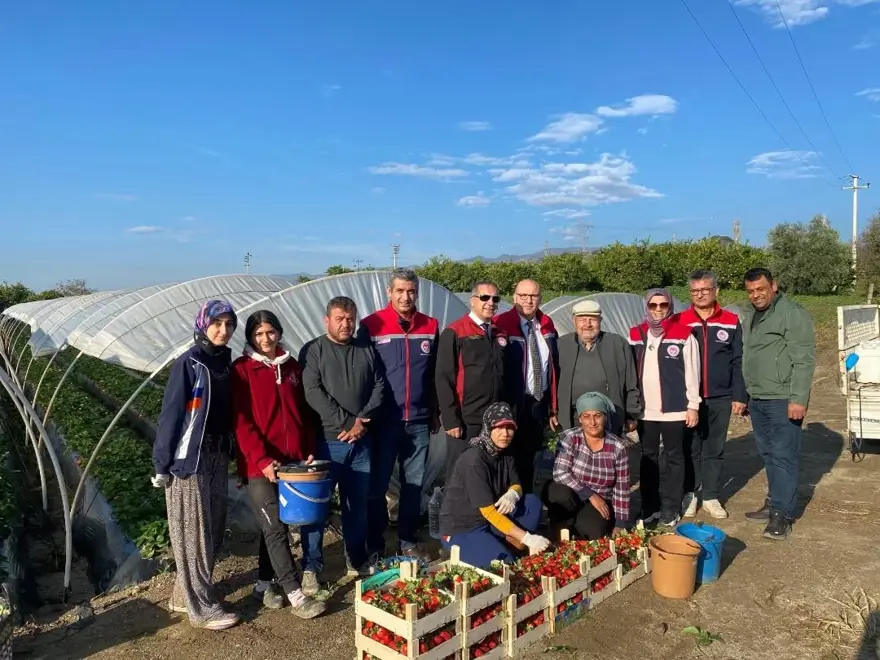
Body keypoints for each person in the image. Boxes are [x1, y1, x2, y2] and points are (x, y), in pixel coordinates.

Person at [231, 310, 327, 619]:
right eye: (258, 334)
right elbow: (242, 423)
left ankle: (262, 585)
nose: (265, 339)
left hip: (292, 462)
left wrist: (308, 450)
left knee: (276, 523)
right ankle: (297, 595)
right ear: (250, 338)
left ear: (279, 332)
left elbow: (305, 416)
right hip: (258, 464)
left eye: (270, 332)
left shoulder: (292, 368)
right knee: (275, 529)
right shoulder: (242, 370)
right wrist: (261, 460)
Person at [151, 300, 240, 631]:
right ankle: (201, 608)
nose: (223, 330)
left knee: (213, 527)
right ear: (203, 324)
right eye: (217, 323)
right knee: (194, 534)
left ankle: (181, 594)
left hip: (217, 455)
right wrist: (162, 463)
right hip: (190, 460)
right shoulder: (189, 363)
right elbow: (171, 415)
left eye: (229, 324)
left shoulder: (225, 363)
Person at [299, 296, 384, 575]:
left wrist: (361, 423)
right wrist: (347, 421)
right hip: (327, 442)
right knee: (316, 508)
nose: (346, 324)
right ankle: (312, 565)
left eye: (350, 318)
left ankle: (356, 558)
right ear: (327, 320)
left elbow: (379, 387)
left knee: (356, 506)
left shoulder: (366, 349)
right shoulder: (314, 350)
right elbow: (313, 392)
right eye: (340, 319)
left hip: (361, 443)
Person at [360, 269, 440, 558]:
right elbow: (364, 374)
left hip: (418, 420)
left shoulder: (430, 326)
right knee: (377, 485)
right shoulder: (372, 325)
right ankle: (376, 544)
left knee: (414, 485)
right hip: (384, 422)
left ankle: (407, 540)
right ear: (389, 292)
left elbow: (434, 374)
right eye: (400, 291)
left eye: (411, 291)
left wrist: (435, 411)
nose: (406, 297)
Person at [741, 268, 815, 540]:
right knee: (768, 454)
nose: (756, 295)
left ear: (774, 286)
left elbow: (804, 359)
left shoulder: (792, 314)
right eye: (751, 291)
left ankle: (782, 514)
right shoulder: (750, 316)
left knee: (784, 456)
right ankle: (773, 502)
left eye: (760, 289)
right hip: (759, 397)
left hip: (783, 398)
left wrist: (798, 398)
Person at [439, 402, 551, 568]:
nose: (505, 434)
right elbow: (489, 512)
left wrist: (513, 494)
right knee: (504, 565)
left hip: (489, 521)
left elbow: (516, 483)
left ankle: (505, 542)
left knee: (531, 503)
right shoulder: (474, 459)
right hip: (464, 527)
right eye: (498, 428)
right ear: (488, 428)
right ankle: (484, 547)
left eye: (509, 428)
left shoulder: (505, 452)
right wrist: (527, 538)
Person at [676, 269, 748, 520]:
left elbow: (739, 359)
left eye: (704, 290)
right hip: (688, 400)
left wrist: (740, 395)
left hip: (721, 396)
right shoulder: (680, 320)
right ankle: (690, 494)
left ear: (716, 291)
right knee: (690, 448)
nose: (699, 295)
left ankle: (711, 496)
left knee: (714, 448)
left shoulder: (729, 320)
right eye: (694, 291)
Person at [629, 288, 700, 527]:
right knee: (648, 458)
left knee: (674, 458)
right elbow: (630, 373)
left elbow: (692, 372)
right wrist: (632, 407)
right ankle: (650, 507)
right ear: (646, 307)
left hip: (675, 409)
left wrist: (693, 405)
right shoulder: (636, 334)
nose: (658, 309)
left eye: (662, 305)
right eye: (653, 305)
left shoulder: (683, 334)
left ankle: (671, 508)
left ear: (669, 306)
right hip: (645, 411)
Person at [436, 280, 508, 479]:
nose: (490, 303)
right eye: (485, 297)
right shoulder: (455, 332)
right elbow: (443, 378)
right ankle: (452, 510)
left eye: (495, 299)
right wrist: (451, 420)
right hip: (466, 420)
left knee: (490, 472)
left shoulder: (500, 334)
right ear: (472, 301)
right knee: (460, 472)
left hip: (494, 419)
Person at [493, 279, 559, 494]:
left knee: (530, 456)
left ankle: (526, 503)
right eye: (523, 296)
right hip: (511, 402)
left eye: (534, 296)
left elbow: (553, 367)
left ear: (540, 298)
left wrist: (552, 407)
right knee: (507, 455)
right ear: (514, 297)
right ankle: (504, 505)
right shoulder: (501, 324)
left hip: (537, 402)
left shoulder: (547, 325)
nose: (529, 301)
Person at [544, 392, 630, 540]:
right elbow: (560, 473)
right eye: (586, 416)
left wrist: (620, 523)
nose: (592, 422)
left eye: (597, 415)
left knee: (592, 531)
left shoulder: (618, 447)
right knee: (559, 493)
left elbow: (621, 487)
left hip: (601, 499)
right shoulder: (570, 437)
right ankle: (560, 525)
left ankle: (578, 525)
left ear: (605, 417)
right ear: (580, 420)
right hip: (572, 494)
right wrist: (589, 494)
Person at [557, 300, 641, 437]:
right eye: (582, 319)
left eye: (593, 319)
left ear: (600, 320)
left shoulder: (617, 344)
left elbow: (631, 380)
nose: (588, 324)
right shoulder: (562, 345)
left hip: (609, 415)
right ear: (574, 321)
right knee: (573, 455)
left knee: (607, 455)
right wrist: (553, 411)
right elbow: (552, 381)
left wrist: (632, 413)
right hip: (573, 417)